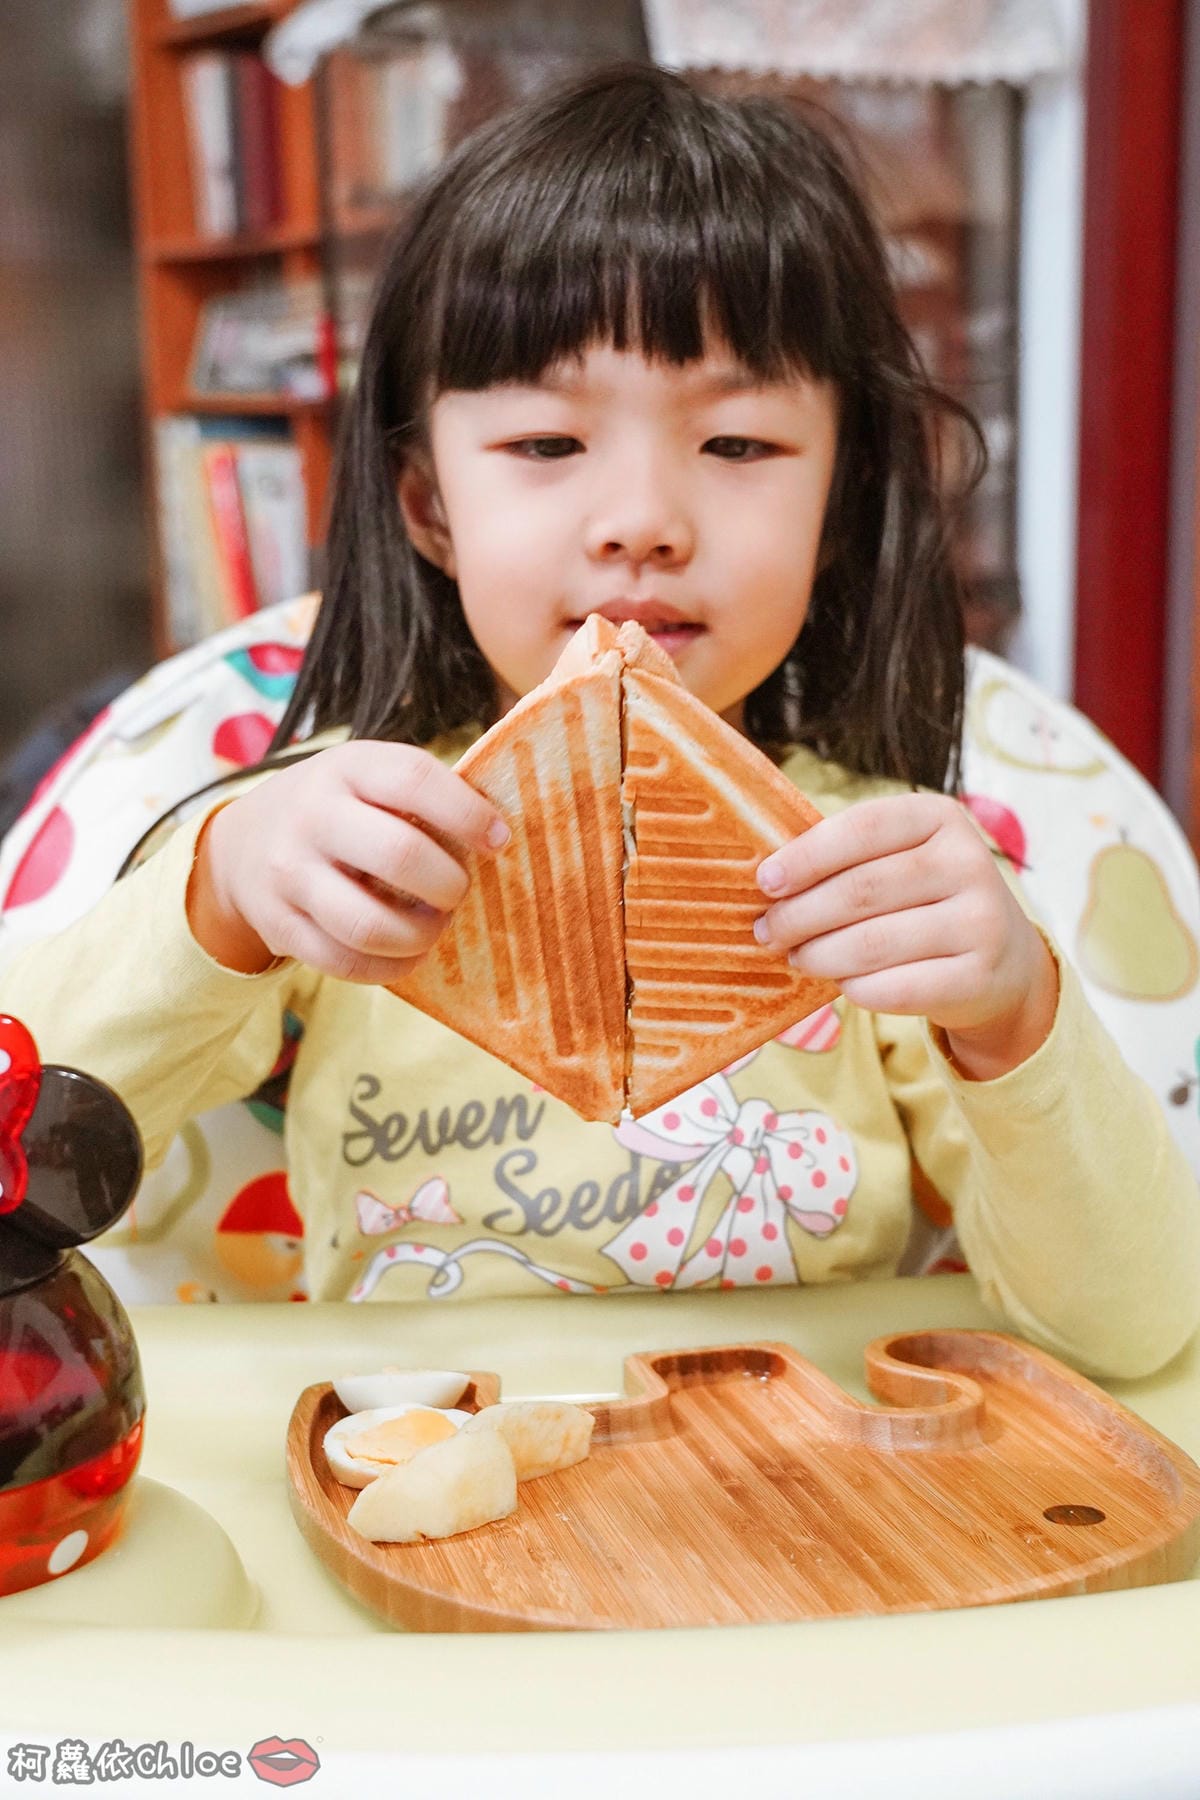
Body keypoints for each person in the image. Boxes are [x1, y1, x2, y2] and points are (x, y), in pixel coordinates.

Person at [2, 66, 1196, 1374]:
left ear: (840, 509)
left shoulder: (877, 882)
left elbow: (1134, 1331)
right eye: (546, 446)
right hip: (414, 1496)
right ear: (429, 508)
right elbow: (20, 1167)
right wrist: (223, 892)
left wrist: (1012, 1009)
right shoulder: (352, 841)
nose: (642, 518)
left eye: (737, 446)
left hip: (803, 1508)